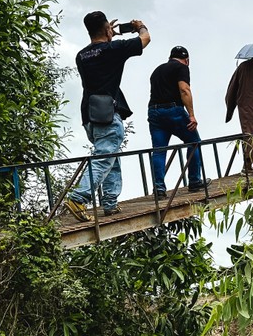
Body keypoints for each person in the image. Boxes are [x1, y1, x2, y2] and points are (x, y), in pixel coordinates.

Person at [64, 12, 150, 222]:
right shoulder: (114, 49)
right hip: (107, 114)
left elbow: (99, 51)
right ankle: (78, 198)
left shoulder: (81, 55)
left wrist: (108, 34)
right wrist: (140, 26)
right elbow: (145, 39)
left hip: (89, 115)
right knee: (104, 157)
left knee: (110, 156)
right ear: (105, 29)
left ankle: (110, 202)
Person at [147, 45, 209, 198]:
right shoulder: (182, 68)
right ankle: (194, 181)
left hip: (154, 111)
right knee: (194, 143)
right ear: (186, 60)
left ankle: (159, 189)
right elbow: (184, 89)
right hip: (173, 110)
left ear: (170, 57)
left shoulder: (157, 70)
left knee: (159, 150)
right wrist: (192, 115)